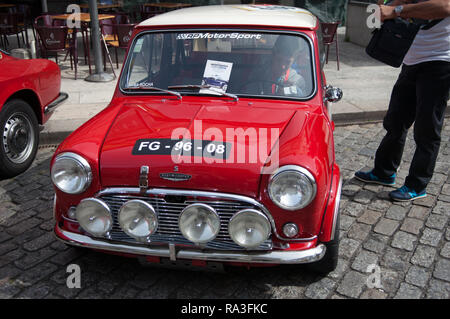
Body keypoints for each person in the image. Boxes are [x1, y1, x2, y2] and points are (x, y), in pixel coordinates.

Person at [355, 0, 450, 201]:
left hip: (440, 62)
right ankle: (384, 172)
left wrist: (397, 11)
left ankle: (417, 184)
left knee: (427, 128)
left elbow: (445, 7)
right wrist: (387, 9)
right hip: (412, 59)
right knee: (395, 121)